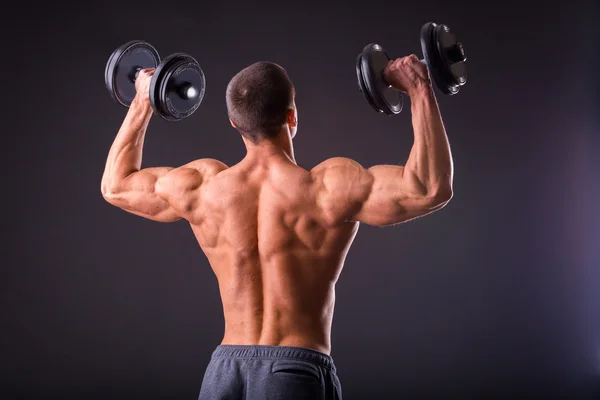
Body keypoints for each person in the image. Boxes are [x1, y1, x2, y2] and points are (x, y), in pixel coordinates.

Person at [100, 54, 453, 399]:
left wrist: (143, 101)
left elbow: (115, 186)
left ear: (235, 123)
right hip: (293, 373)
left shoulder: (202, 188)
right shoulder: (328, 189)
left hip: (224, 373)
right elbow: (428, 187)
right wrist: (419, 88)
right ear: (292, 116)